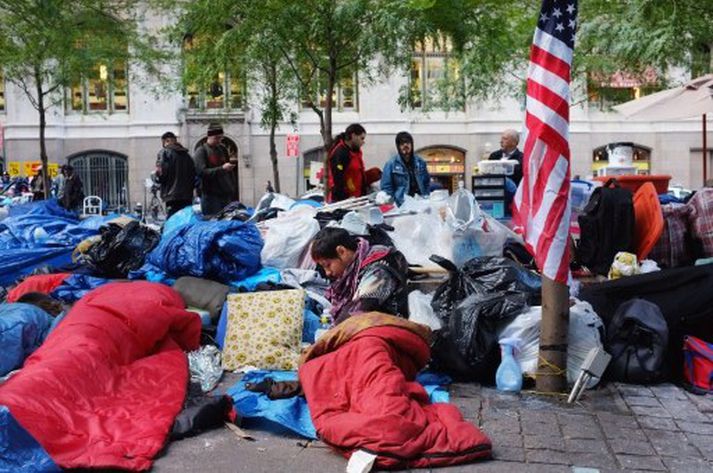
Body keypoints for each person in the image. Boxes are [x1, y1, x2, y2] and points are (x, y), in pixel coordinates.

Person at [311, 227, 408, 325]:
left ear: (342, 251)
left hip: (389, 327)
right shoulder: (349, 273)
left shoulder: (379, 270)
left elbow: (359, 310)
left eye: (328, 265)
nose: (327, 273)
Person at [194, 124, 237, 216]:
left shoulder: (222, 149)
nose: (219, 141)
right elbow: (201, 172)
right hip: (210, 195)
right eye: (217, 138)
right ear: (209, 136)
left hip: (225, 193)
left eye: (221, 138)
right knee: (212, 221)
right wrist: (222, 168)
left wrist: (231, 186)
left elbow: (228, 171)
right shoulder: (201, 151)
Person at [380, 131, 430, 206]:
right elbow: (386, 188)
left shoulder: (420, 162)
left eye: (408, 143)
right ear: (398, 146)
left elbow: (426, 182)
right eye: (402, 143)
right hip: (401, 204)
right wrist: (393, 204)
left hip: (420, 202)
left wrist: (426, 197)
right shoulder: (391, 164)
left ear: (412, 145)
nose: (405, 145)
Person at [155, 131, 197, 218]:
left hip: (172, 195)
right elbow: (193, 174)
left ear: (166, 141)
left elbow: (162, 174)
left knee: (173, 219)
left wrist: (156, 177)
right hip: (187, 195)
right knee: (185, 219)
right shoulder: (187, 155)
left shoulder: (164, 153)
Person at [326, 123, 367, 203]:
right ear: (353, 136)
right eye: (362, 138)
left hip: (356, 198)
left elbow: (357, 174)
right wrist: (345, 198)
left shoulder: (355, 152)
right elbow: (338, 178)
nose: (363, 142)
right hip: (344, 200)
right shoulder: (340, 153)